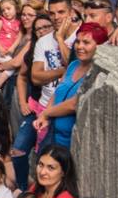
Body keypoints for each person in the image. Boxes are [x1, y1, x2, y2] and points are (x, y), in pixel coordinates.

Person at [34, 23, 104, 152]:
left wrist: (46, 113)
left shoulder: (97, 73)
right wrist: (44, 117)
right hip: (53, 134)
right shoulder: (73, 65)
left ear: (99, 46)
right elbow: (57, 92)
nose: (80, 46)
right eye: (77, 41)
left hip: (73, 142)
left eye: (86, 42)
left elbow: (74, 104)